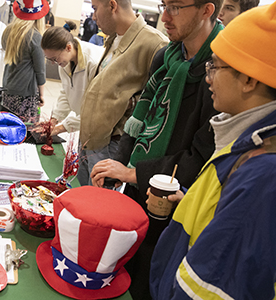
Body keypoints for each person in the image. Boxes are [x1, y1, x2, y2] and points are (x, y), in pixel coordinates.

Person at [150, 0, 276, 298]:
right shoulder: (257, 137)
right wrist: (192, 202)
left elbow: (216, 290)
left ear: (248, 79)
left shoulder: (272, 176)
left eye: (215, 66)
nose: (208, 78)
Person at [90, 0, 222, 297]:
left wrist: (135, 173)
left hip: (174, 205)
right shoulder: (165, 56)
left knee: (147, 283)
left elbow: (203, 155)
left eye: (176, 8)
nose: (164, 17)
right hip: (136, 192)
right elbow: (139, 120)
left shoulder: (220, 70)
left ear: (206, 10)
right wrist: (117, 171)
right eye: (164, 5)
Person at [76, 0, 168, 187]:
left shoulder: (154, 43)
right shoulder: (114, 38)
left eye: (95, 9)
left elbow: (160, 101)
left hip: (112, 142)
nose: (93, 17)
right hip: (90, 139)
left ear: (112, 5)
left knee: (100, 206)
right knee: (83, 197)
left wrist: (129, 105)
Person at [40, 26, 104, 136]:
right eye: (49, 59)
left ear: (68, 47)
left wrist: (61, 128)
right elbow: (67, 92)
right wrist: (54, 119)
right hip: (85, 122)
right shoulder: (65, 61)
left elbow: (98, 109)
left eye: (54, 59)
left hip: (103, 127)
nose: (53, 63)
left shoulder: (94, 63)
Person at [1, 0, 48, 123]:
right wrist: (41, 95)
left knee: (7, 127)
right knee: (23, 131)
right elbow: (40, 70)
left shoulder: (8, 31)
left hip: (7, 88)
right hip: (25, 93)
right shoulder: (35, 37)